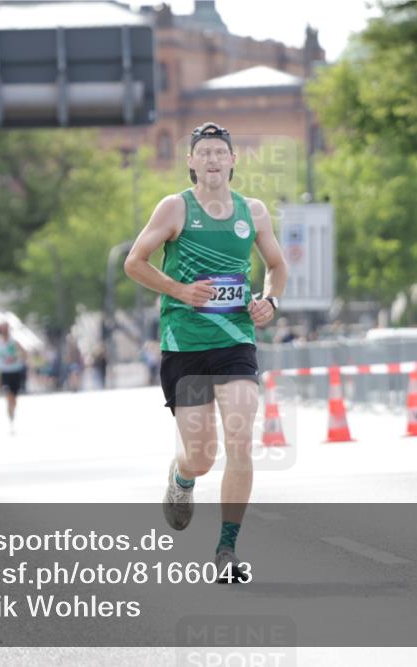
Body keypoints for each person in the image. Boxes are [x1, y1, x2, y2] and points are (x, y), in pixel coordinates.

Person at [123, 122, 287, 582]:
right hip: (185, 344)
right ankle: (182, 477)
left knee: (240, 435)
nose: (213, 159)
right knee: (202, 455)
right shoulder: (175, 208)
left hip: (235, 340)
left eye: (221, 152)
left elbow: (276, 265)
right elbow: (134, 262)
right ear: (191, 163)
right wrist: (180, 289)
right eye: (205, 153)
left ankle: (227, 549)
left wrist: (269, 301)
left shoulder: (252, 212)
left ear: (234, 161)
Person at [0, 322, 27, 434]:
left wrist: (19, 358)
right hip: (4, 371)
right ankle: (10, 419)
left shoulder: (14, 342)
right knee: (8, 396)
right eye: (2, 328)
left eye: (6, 328)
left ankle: (12, 412)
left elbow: (24, 353)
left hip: (15, 371)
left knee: (14, 399)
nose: (4, 330)